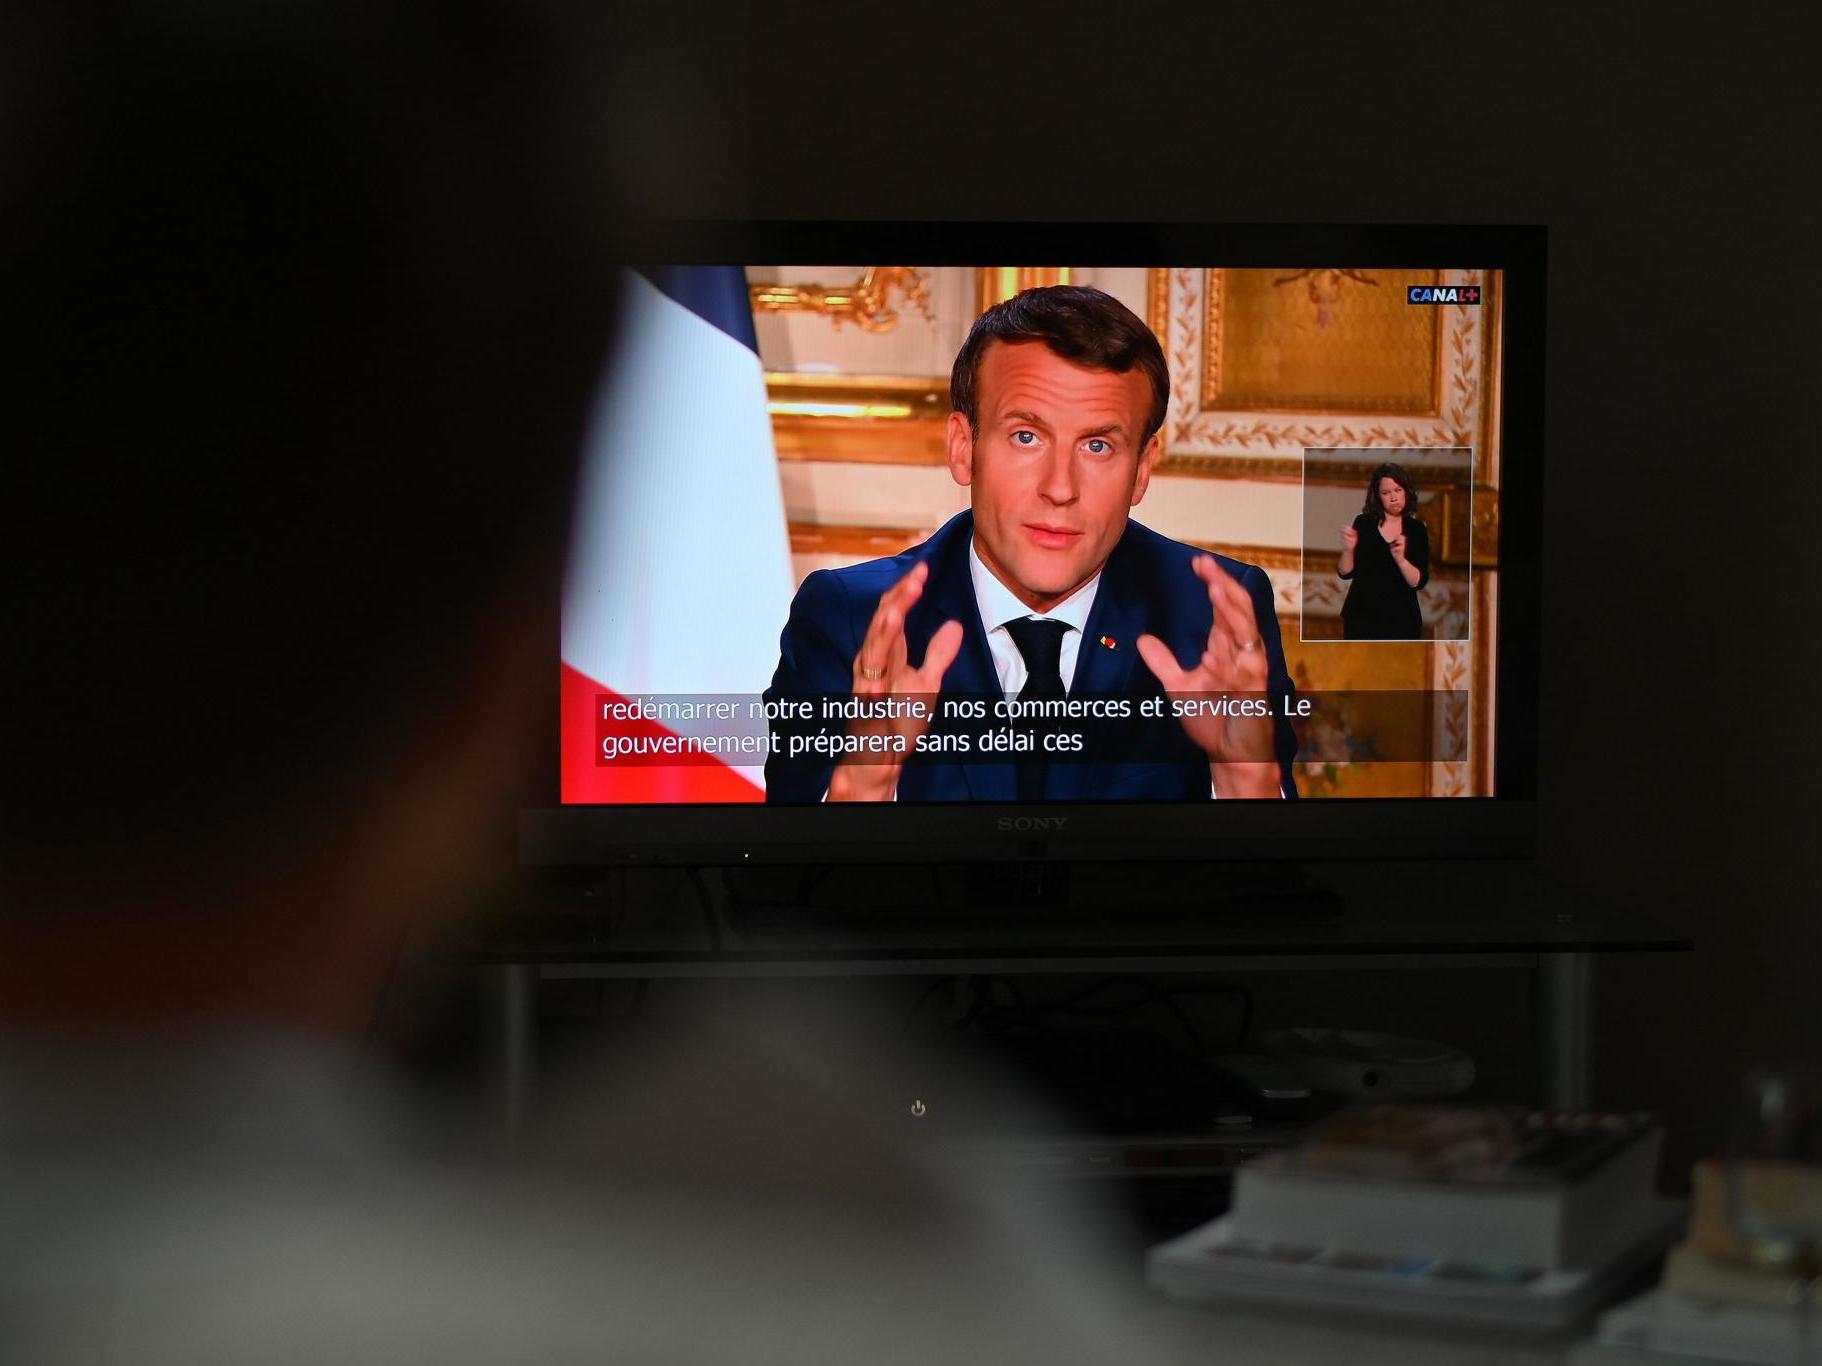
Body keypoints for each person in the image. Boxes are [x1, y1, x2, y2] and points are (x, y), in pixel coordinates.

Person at [763, 286, 1299, 803]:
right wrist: (865, 783)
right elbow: (785, 882)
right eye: (1026, 436)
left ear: (1141, 470)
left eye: (1097, 445)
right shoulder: (850, 617)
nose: (1060, 488)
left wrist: (1243, 783)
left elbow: (1277, 888)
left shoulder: (1212, 619)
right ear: (963, 447)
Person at [1336, 462, 1431, 640]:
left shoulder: (1416, 529)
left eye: (1398, 490)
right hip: (1362, 616)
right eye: (1386, 493)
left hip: (1402, 619)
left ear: (1407, 492)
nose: (1393, 497)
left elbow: (1418, 581)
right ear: (1378, 497)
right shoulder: (1364, 523)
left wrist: (1401, 560)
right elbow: (1345, 572)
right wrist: (1348, 550)